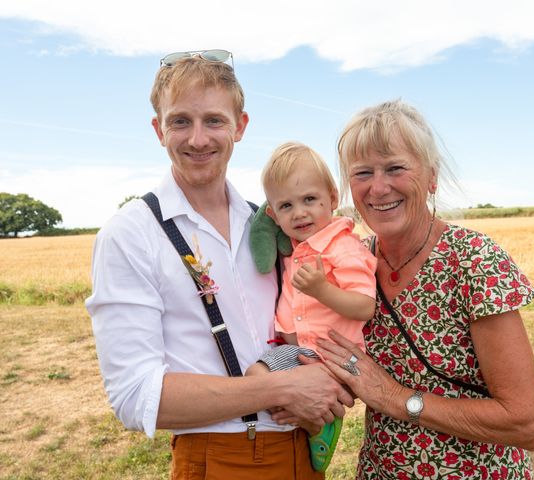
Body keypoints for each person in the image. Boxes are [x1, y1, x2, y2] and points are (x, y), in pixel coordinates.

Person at [85, 50, 353, 480]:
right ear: (158, 129)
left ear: (240, 126)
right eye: (180, 121)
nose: (197, 139)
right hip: (218, 457)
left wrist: (332, 381)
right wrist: (280, 387)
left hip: (303, 451)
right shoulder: (130, 233)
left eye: (213, 120)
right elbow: (137, 397)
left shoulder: (269, 223)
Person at [305, 99, 534, 479]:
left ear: (431, 177)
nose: (379, 187)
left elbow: (527, 423)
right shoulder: (353, 263)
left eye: (395, 168)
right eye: (363, 172)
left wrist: (395, 398)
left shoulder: (474, 260)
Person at [245, 142, 377, 470]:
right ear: (273, 215)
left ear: (332, 198)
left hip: (333, 356)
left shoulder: (342, 248)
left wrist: (322, 290)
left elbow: (364, 306)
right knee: (271, 391)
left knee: (256, 377)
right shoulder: (295, 247)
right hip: (304, 353)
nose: (300, 213)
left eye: (309, 200)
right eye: (286, 205)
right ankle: (315, 425)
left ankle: (319, 425)